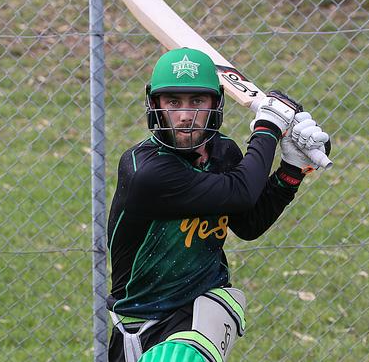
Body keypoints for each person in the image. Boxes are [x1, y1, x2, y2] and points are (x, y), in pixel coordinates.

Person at [106, 47, 331, 362]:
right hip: (141, 323)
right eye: (173, 103)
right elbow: (241, 191)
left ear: (215, 104)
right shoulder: (147, 170)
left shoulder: (223, 152)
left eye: (197, 102)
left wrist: (292, 168)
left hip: (202, 306)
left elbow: (248, 222)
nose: (185, 115)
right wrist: (268, 129)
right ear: (155, 104)